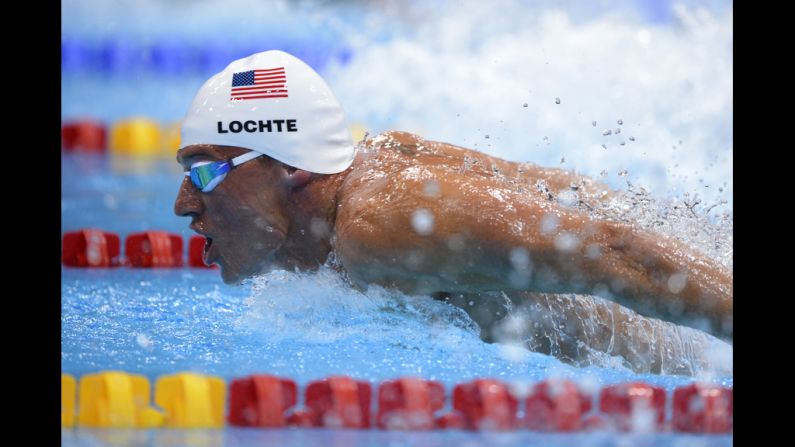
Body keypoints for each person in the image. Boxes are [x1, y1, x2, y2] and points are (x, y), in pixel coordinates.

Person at [174, 50, 733, 375]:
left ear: (291, 164)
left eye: (203, 172)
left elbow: (616, 252)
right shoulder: (378, 169)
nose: (183, 204)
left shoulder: (383, 223)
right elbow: (568, 190)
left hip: (687, 364)